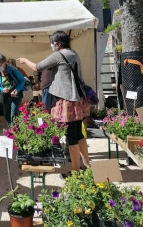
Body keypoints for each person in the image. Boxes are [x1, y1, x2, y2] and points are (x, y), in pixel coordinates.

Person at [17, 31, 90, 179]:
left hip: (66, 99)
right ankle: (86, 165)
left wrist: (25, 60)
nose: (52, 45)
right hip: (77, 98)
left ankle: (75, 171)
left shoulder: (59, 55)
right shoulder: (73, 53)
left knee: (71, 137)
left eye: (52, 42)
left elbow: (37, 67)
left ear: (57, 43)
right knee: (79, 134)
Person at [0, 53, 26, 126]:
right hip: (6, 96)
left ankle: (16, 132)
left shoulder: (13, 70)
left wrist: (17, 90)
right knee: (7, 115)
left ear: (4, 63)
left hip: (16, 95)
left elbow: (22, 80)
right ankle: (11, 131)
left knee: (14, 115)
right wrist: (2, 89)